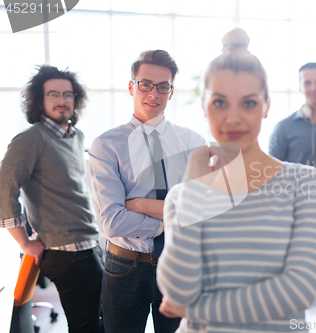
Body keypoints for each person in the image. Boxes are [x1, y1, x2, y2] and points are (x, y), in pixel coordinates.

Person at [156, 28, 316, 332]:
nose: (233, 118)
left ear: (266, 106)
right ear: (204, 106)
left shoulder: (304, 183)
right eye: (220, 103)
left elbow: (299, 290)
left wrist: (195, 310)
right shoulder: (185, 196)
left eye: (248, 103)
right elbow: (178, 291)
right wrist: (194, 192)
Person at [89, 50, 205, 333]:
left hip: (179, 264)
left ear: (171, 91)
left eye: (163, 86)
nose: (154, 93)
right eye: (145, 84)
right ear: (132, 87)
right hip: (126, 267)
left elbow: (203, 211)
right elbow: (112, 222)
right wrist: (175, 215)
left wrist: (139, 205)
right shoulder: (106, 145)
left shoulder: (194, 143)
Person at [0, 65, 104, 333]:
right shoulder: (30, 140)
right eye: (54, 94)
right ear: (39, 100)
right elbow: (4, 189)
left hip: (89, 244)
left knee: (100, 320)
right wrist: (24, 241)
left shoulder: (75, 136)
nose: (62, 100)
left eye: (68, 95)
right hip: (65, 252)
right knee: (88, 326)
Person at [269, 62, 316, 331]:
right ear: (301, 86)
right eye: (308, 82)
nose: (313, 88)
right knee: (296, 284)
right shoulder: (284, 127)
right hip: (298, 220)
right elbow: (272, 177)